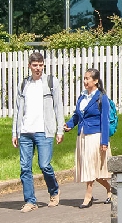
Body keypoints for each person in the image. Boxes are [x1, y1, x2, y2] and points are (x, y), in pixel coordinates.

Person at [12, 52, 64, 213]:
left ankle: (54, 191)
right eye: (35, 65)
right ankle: (30, 201)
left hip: (44, 131)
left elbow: (58, 107)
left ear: (43, 65)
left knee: (44, 165)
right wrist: (15, 132)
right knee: (25, 168)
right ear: (29, 66)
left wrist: (60, 129)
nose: (38, 68)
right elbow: (17, 110)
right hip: (26, 131)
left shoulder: (51, 82)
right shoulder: (23, 85)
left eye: (40, 65)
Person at [64, 68, 112, 208]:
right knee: (91, 169)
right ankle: (110, 189)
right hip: (83, 137)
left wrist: (104, 141)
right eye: (84, 78)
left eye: (87, 79)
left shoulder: (102, 98)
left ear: (95, 81)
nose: (85, 81)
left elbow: (105, 121)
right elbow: (77, 116)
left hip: (95, 136)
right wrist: (69, 125)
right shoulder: (82, 97)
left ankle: (88, 196)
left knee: (91, 167)